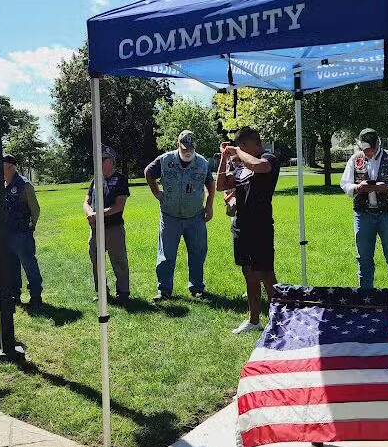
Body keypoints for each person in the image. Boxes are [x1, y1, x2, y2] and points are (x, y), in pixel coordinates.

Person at [216, 127, 281, 334]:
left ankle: (279, 319)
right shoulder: (242, 166)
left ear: (254, 144)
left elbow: (260, 167)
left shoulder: (268, 158)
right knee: (249, 273)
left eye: (243, 147)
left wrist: (237, 152)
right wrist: (225, 158)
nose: (240, 152)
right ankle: (254, 321)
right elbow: (220, 185)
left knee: (266, 274)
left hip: (259, 227)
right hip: (241, 226)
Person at [145, 130, 215, 302]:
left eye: (190, 148)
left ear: (195, 147)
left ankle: (197, 288)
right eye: (184, 148)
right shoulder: (165, 160)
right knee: (166, 255)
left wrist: (209, 206)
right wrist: (157, 193)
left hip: (195, 216)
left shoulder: (202, 163)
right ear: (178, 145)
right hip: (170, 216)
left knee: (198, 253)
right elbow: (148, 172)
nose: (187, 152)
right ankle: (164, 290)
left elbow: (210, 184)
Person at [340, 128, 388, 290]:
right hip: (363, 215)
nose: (368, 153)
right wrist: (357, 188)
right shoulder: (355, 159)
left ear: (378, 143)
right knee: (364, 258)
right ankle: (366, 297)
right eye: (365, 150)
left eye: (371, 149)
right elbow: (345, 183)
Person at [84, 145, 130, 304]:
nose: (100, 162)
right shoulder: (95, 180)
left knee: (118, 260)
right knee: (96, 259)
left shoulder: (121, 180)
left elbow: (119, 206)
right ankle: (101, 291)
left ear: (111, 161)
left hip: (113, 228)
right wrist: (89, 213)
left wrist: (98, 214)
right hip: (96, 229)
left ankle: (123, 292)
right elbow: (86, 201)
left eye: (103, 159)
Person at [2, 154, 43, 308]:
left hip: (22, 233)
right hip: (7, 233)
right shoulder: (2, 184)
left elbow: (35, 209)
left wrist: (30, 227)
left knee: (29, 264)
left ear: (11, 167)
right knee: (12, 266)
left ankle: (36, 295)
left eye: (3, 166)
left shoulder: (24, 185)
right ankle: (15, 294)